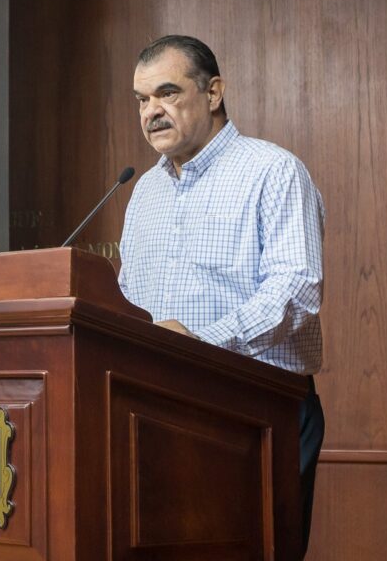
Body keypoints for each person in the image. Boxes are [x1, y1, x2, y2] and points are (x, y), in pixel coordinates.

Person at [117, 35, 325, 558]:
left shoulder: (272, 171)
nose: (151, 112)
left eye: (166, 93)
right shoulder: (144, 191)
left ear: (213, 92)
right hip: (157, 411)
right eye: (142, 100)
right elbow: (128, 299)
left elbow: (295, 291)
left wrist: (199, 346)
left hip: (257, 411)